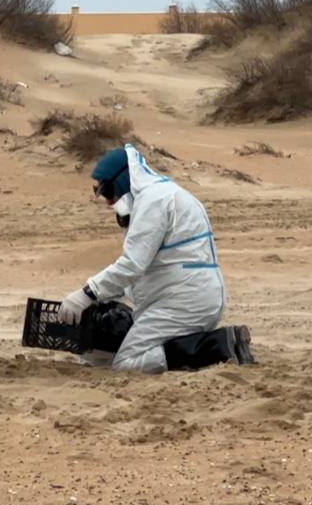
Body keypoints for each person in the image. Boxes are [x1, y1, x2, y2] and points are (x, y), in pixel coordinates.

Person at [57, 144, 252, 373]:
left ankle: (219, 347)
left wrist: (88, 293)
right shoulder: (158, 195)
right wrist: (105, 297)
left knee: (127, 363)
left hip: (184, 301)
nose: (109, 202)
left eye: (109, 192)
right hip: (187, 296)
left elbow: (133, 265)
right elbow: (149, 268)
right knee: (119, 354)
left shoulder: (153, 201)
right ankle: (208, 345)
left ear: (123, 180)